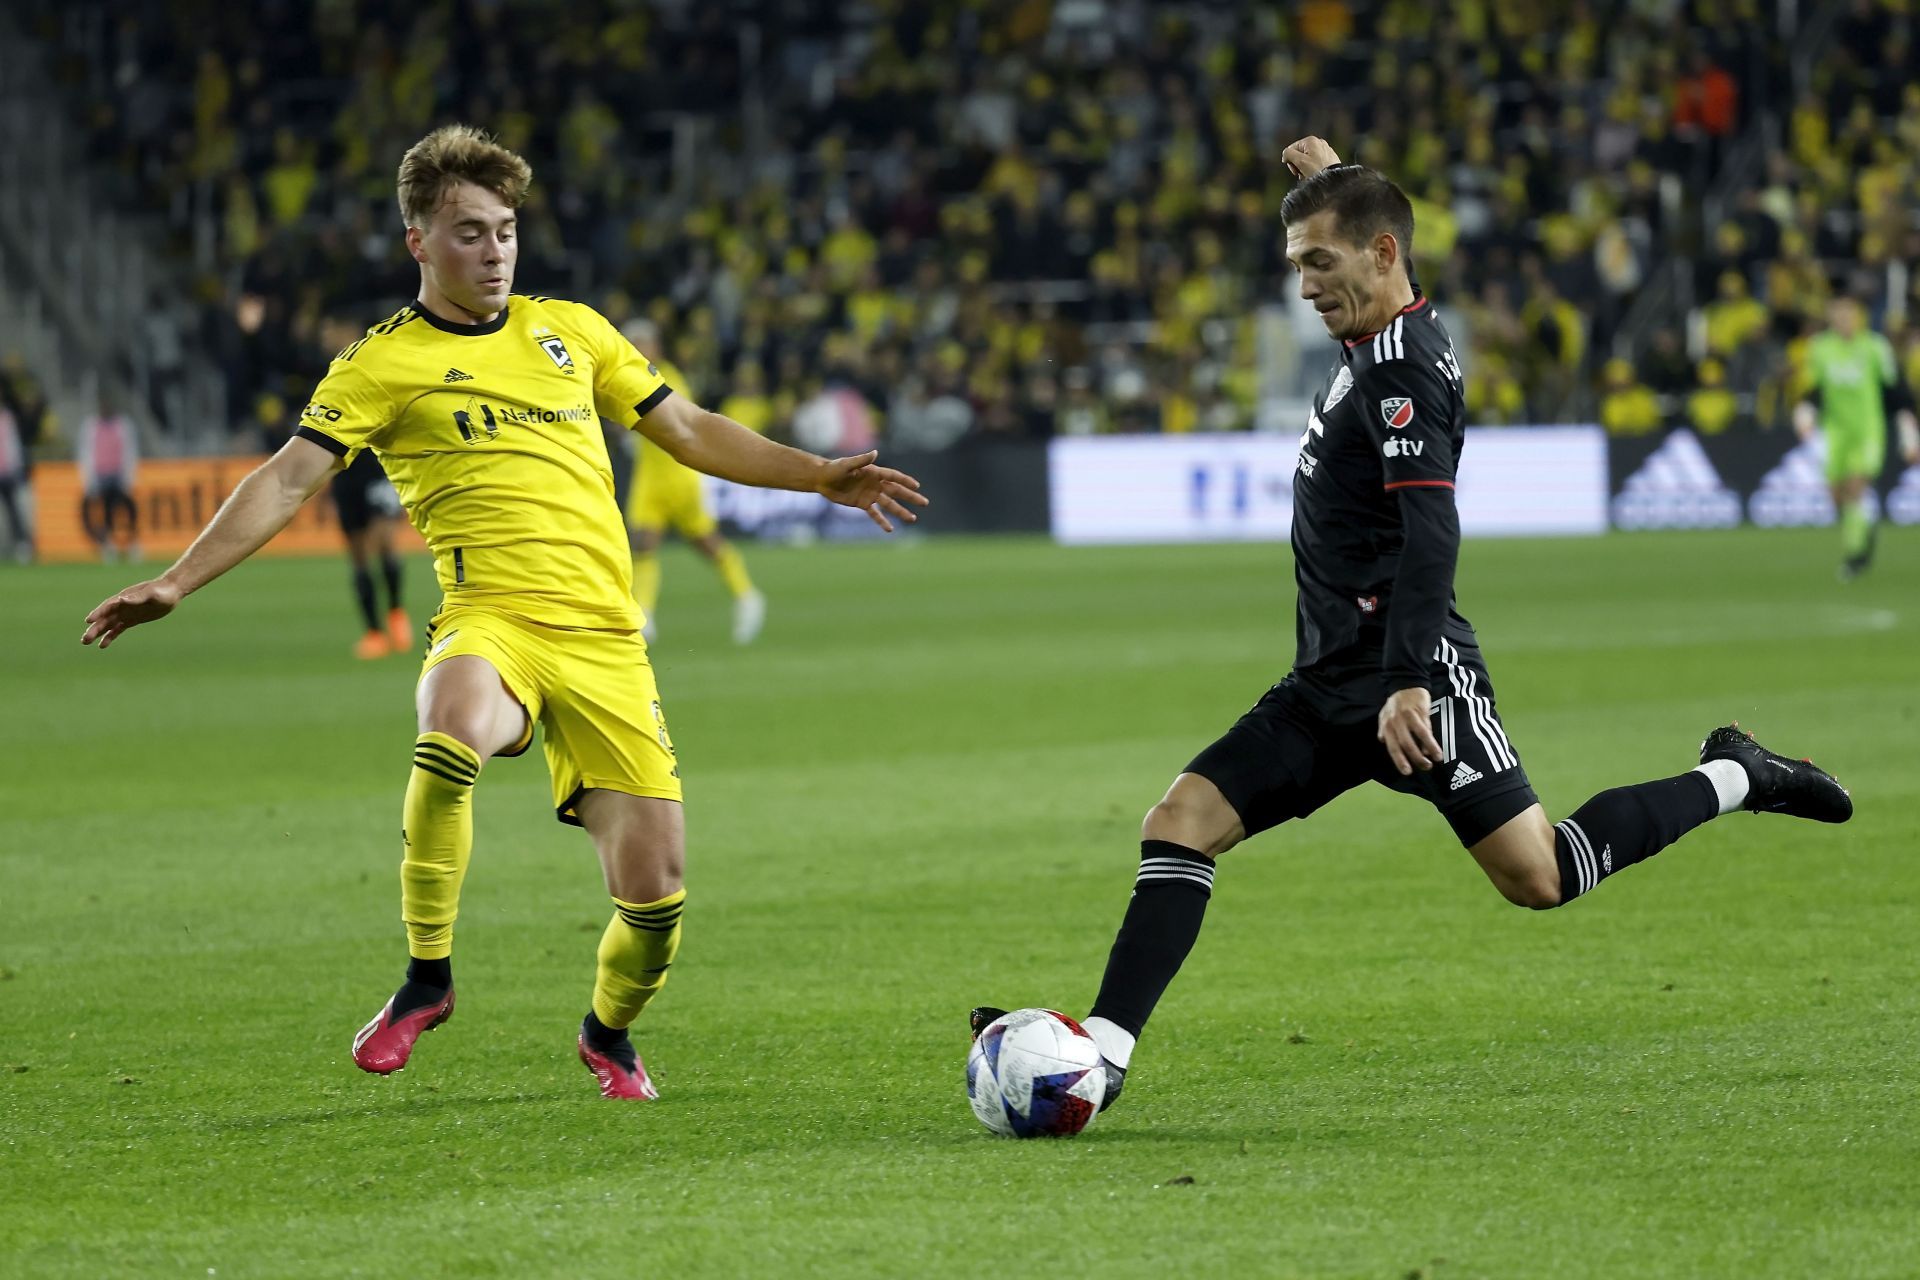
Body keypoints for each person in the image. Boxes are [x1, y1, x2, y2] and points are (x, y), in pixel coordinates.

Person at [973, 139, 1853, 1113]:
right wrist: (1333, 178)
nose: (1303, 285)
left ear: (1381, 254)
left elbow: (1432, 528)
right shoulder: (1385, 321)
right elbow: (1375, 246)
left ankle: (1741, 770)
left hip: (1410, 682)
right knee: (1179, 823)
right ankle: (1102, 1051)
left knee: (1542, 874)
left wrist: (1409, 681)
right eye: (1297, 262)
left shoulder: (1401, 372)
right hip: (1327, 681)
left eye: (1319, 261)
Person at [83, 124, 927, 1100]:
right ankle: (425, 978)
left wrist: (817, 473)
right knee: (449, 728)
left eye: (506, 231)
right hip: (492, 617)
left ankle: (607, 1033)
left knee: (656, 898)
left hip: (608, 640)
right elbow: (286, 479)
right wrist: (177, 581)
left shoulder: (573, 331)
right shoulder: (380, 366)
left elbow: (687, 428)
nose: (494, 252)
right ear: (419, 243)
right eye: (471, 233)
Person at [620, 319, 766, 645]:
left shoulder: (668, 379)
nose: (636, 348)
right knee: (643, 543)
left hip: (678, 476)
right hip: (650, 477)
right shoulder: (631, 374)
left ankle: (746, 595)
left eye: (642, 342)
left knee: (705, 542)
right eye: (632, 342)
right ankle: (645, 615)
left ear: (655, 345)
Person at [1793, 295, 1920, 580]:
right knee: (1837, 497)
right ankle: (1865, 528)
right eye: (1838, 315)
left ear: (1859, 317)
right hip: (1835, 432)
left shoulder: (1874, 347)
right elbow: (1815, 389)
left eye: (1848, 314)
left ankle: (1856, 555)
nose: (1844, 320)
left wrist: (1909, 434)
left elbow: (1896, 391)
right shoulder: (1821, 348)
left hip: (1867, 431)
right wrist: (1805, 413)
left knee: (1854, 486)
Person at [331, 446, 413, 658]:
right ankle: (374, 633)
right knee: (359, 557)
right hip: (344, 474)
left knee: (385, 542)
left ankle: (396, 614)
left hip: (377, 469)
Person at [79, 394, 140, 562]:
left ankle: (131, 542)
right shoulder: (91, 426)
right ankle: (109, 544)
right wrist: (88, 479)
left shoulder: (122, 425)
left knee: (126, 508)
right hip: (102, 474)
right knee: (106, 511)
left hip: (118, 474)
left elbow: (130, 451)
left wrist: (130, 476)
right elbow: (86, 453)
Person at [0, 399, 33, 562]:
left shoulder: (7, 418)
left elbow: (13, 444)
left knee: (14, 512)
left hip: (6, 472)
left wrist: (17, 468)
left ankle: (22, 547)